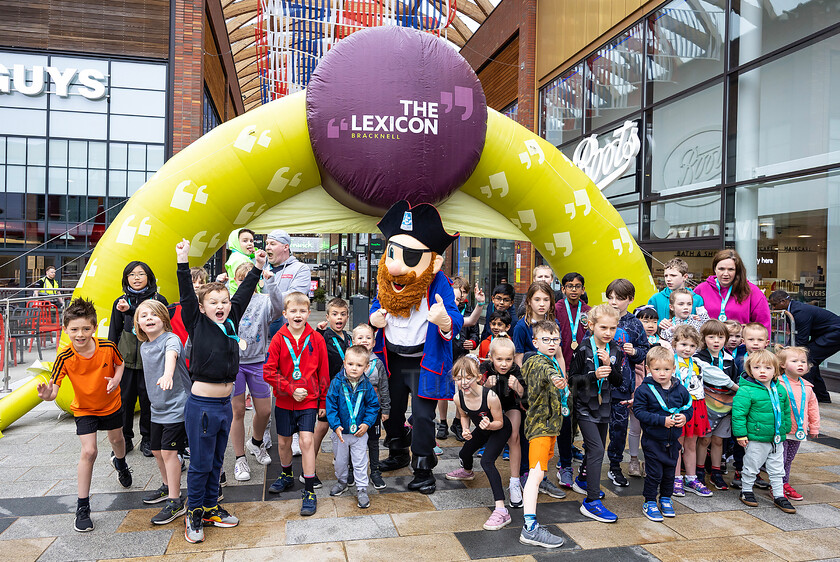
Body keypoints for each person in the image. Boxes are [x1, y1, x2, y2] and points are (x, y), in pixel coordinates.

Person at [369, 201, 463, 495]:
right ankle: (397, 452)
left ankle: (424, 469)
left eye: (409, 256)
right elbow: (376, 304)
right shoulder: (386, 279)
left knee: (423, 416)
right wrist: (374, 317)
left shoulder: (437, 283)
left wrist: (444, 320)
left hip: (425, 360)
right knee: (392, 411)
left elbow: (455, 319)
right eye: (393, 253)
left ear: (431, 261)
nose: (396, 264)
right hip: (393, 359)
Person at [176, 239, 265, 543]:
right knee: (200, 465)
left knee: (216, 462)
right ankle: (194, 514)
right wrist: (182, 260)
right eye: (213, 302)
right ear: (202, 307)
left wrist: (257, 267)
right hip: (201, 406)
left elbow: (243, 293)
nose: (221, 306)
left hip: (224, 406)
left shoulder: (231, 321)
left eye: (224, 301)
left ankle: (211, 507)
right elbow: (187, 295)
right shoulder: (196, 322)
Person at [38, 298, 131, 532]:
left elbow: (120, 364)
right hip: (84, 409)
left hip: (111, 404)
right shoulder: (64, 356)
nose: (80, 334)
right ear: (66, 329)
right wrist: (48, 395)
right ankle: (82, 507)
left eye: (86, 329)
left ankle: (120, 464)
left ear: (94, 328)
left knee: (117, 440)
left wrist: (117, 378)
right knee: (89, 451)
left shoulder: (108, 347)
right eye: (74, 329)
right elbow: (54, 389)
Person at [263, 292, 330, 516]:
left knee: (307, 440)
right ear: (285, 314)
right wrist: (290, 389)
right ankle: (286, 474)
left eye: (302, 311)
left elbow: (324, 373)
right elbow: (268, 372)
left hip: (309, 401)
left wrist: (322, 400)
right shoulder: (279, 339)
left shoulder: (317, 339)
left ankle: (309, 490)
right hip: (284, 400)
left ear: (309, 313)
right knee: (283, 443)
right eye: (293, 311)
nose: (298, 315)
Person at [135, 300, 190, 525]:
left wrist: (168, 374)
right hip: (157, 407)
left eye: (154, 315)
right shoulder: (144, 346)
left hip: (177, 406)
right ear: (137, 323)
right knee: (157, 451)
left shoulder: (171, 339)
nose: (149, 318)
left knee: (169, 453)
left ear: (163, 319)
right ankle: (168, 487)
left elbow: (171, 355)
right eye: (144, 316)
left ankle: (176, 501)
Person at [229, 262, 283, 483]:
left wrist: (270, 281)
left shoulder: (263, 301)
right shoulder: (230, 301)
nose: (245, 282)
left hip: (258, 361)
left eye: (249, 278)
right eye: (240, 278)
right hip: (235, 364)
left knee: (264, 410)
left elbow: (280, 308)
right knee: (238, 411)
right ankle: (239, 457)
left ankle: (256, 442)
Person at [108, 261, 169, 457]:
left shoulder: (159, 300)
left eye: (141, 274)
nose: (136, 278)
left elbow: (167, 330)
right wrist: (112, 359)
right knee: (124, 401)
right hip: (125, 362)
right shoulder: (120, 301)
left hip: (151, 362)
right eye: (132, 274)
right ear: (126, 278)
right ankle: (125, 438)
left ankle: (148, 439)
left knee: (148, 400)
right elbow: (114, 332)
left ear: (149, 277)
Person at [446, 356, 513, 531]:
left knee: (486, 462)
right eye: (459, 378)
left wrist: (490, 425)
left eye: (468, 378)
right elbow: (465, 415)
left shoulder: (490, 396)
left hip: (499, 428)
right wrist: (466, 429)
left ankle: (501, 509)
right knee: (464, 454)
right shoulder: (458, 397)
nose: (464, 382)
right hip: (483, 428)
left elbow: (499, 422)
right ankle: (467, 472)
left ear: (477, 377)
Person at [569, 305, 623, 522]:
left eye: (612, 328)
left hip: (605, 406)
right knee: (597, 450)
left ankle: (583, 479)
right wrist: (593, 375)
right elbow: (572, 380)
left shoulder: (615, 349)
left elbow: (619, 381)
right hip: (584, 407)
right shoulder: (583, 349)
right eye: (603, 327)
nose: (608, 332)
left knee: (596, 448)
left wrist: (611, 365)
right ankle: (591, 501)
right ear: (591, 325)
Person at [519, 320, 568, 547]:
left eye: (555, 340)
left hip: (549, 427)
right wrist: (555, 378)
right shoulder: (537, 362)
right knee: (535, 475)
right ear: (535, 341)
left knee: (537, 473)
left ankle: (531, 525)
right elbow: (544, 373)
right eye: (546, 340)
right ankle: (529, 528)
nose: (551, 344)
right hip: (540, 427)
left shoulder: (551, 360)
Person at [632, 347, 692, 522]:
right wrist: (662, 421)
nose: (662, 373)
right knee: (654, 474)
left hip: (673, 441)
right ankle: (649, 501)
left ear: (673, 369)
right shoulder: (644, 390)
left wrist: (684, 417)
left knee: (669, 474)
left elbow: (688, 407)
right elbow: (639, 412)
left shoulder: (680, 389)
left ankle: (666, 498)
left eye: (666, 369)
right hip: (653, 440)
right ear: (648, 370)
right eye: (657, 369)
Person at [732, 350, 796, 514]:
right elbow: (739, 414)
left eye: (767, 368)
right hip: (756, 438)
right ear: (749, 369)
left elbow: (786, 410)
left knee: (777, 468)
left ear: (775, 370)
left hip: (776, 438)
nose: (762, 371)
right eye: (757, 367)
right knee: (751, 465)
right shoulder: (746, 390)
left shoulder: (780, 389)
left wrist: (785, 429)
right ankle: (746, 491)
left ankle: (779, 495)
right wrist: (740, 434)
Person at [605, 279, 649, 488]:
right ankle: (588, 466)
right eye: (610, 297)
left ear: (630, 300)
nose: (614, 302)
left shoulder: (634, 323)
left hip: (623, 386)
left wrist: (635, 352)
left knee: (619, 429)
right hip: (599, 386)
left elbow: (646, 351)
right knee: (594, 428)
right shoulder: (600, 317)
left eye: (619, 298)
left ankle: (615, 466)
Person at [326, 345, 380, 509]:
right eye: (350, 364)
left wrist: (367, 423)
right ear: (344, 363)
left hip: (359, 434)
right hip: (341, 433)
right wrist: (335, 426)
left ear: (366, 366)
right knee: (341, 462)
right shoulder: (336, 383)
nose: (354, 368)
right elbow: (331, 406)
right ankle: (342, 481)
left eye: (359, 365)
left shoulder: (367, 385)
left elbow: (373, 406)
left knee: (360, 461)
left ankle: (362, 488)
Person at [480, 337, 526, 507]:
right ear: (491, 357)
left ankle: (514, 482)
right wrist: (485, 385)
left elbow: (526, 398)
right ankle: (467, 464)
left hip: (511, 405)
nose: (504, 364)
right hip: (491, 407)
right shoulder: (485, 368)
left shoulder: (516, 370)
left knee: (514, 437)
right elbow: (473, 395)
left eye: (508, 359)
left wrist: (518, 388)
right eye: (499, 359)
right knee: (485, 435)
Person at [769, 290, 839, 403]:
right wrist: (785, 350)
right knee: (811, 361)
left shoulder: (799, 312)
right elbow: (796, 335)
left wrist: (786, 353)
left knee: (808, 360)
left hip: (835, 334)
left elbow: (801, 339)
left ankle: (809, 397)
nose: (773, 308)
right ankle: (821, 396)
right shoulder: (792, 310)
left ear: (783, 301)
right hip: (827, 333)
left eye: (774, 304)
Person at [313, 297, 353, 487]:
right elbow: (312, 345)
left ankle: (342, 462)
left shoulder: (349, 337)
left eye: (343, 314)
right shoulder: (323, 336)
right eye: (335, 314)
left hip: (346, 393)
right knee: (321, 428)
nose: (339, 318)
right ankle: (308, 468)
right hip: (328, 392)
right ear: (327, 317)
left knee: (343, 427)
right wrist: (318, 331)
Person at [694, 320, 739, 491]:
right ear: (703, 339)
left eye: (720, 337)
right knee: (704, 439)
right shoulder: (699, 357)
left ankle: (716, 472)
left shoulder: (729, 358)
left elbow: (734, 378)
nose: (716, 341)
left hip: (726, 406)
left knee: (718, 440)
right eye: (711, 337)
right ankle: (699, 471)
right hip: (706, 405)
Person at [440, 277, 484, 442]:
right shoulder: (444, 309)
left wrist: (473, 342)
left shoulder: (468, 309)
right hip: (446, 354)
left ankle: (458, 422)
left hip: (461, 356)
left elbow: (474, 329)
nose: (461, 297)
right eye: (458, 293)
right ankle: (442, 422)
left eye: (465, 293)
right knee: (442, 391)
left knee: (462, 390)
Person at [670, 325, 713, 498]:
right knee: (676, 444)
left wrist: (733, 386)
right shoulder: (670, 361)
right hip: (676, 407)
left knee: (691, 444)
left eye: (692, 346)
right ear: (674, 344)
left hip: (696, 405)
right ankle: (675, 478)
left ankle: (691, 477)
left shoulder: (698, 363)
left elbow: (715, 375)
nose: (688, 349)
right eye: (683, 344)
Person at [730, 322, 772, 489]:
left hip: (761, 409)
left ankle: (755, 471)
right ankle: (740, 470)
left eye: (760, 340)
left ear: (766, 343)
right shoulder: (738, 359)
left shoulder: (769, 360)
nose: (755, 343)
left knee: (759, 441)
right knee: (742, 440)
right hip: (743, 406)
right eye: (751, 339)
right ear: (743, 340)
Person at [776, 346, 821, 501]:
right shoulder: (778, 383)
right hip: (781, 430)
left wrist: (814, 427)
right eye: (794, 361)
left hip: (798, 430)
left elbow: (813, 408)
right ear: (782, 364)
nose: (800, 364)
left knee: (789, 459)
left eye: (803, 361)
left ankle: (784, 483)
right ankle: (776, 485)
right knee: (779, 458)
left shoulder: (807, 387)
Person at [352, 324, 391, 489]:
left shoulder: (378, 364)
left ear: (374, 342)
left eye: (368, 338)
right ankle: (351, 471)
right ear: (353, 341)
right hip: (353, 412)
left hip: (373, 411)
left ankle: (375, 471)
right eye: (360, 338)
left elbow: (383, 387)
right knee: (352, 441)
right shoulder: (348, 362)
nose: (364, 341)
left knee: (373, 443)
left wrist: (386, 409)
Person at [694, 249, 771, 332]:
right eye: (721, 269)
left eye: (730, 269)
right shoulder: (701, 289)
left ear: (737, 271)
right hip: (708, 344)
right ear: (715, 269)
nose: (726, 273)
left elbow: (763, 326)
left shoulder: (752, 291)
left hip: (740, 344)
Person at [264, 229, 312, 340]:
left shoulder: (301, 269)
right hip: (260, 339)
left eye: (272, 244)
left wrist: (268, 294)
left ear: (285, 247)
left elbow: (293, 300)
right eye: (267, 244)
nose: (267, 247)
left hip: (288, 339)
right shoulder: (261, 266)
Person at [648, 258, 704, 327]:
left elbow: (702, 325)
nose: (668, 279)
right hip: (662, 336)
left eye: (673, 275)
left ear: (685, 277)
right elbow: (646, 322)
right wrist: (658, 323)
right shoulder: (656, 298)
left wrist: (701, 321)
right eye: (666, 276)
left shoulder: (697, 299)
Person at [512, 282, 556, 366]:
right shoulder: (521, 326)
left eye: (546, 300)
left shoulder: (555, 324)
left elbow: (559, 355)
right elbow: (518, 356)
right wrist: (523, 378)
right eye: (537, 300)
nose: (542, 304)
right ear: (529, 301)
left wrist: (562, 375)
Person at [224, 228, 256, 296]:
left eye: (251, 241)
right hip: (244, 297)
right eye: (245, 241)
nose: (250, 244)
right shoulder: (240, 259)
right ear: (236, 242)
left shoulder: (238, 256)